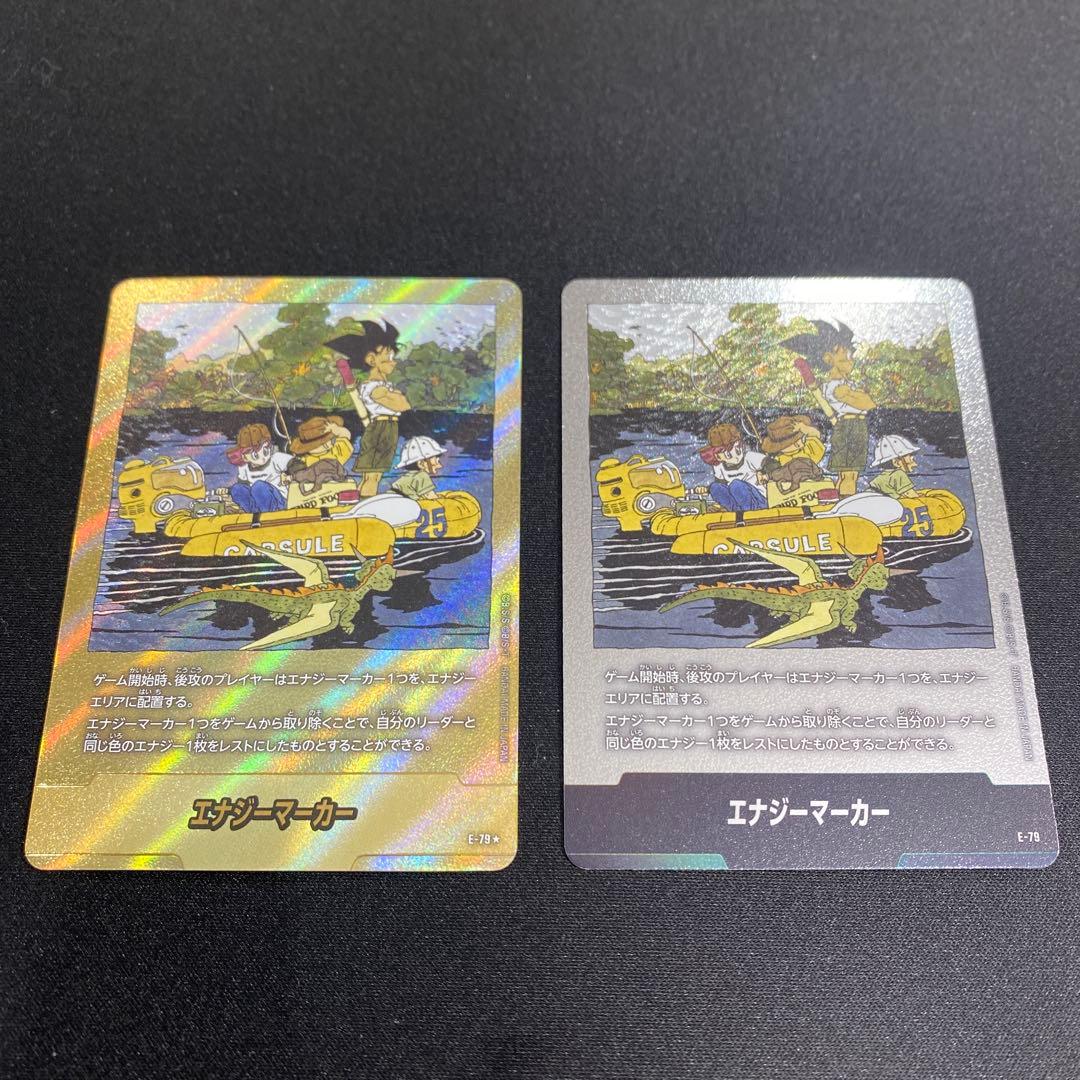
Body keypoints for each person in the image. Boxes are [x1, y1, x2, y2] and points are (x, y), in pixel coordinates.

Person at [781, 320, 876, 496]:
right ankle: (847, 503)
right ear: (828, 358)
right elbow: (868, 403)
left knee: (847, 474)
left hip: (853, 427)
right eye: (846, 355)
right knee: (849, 474)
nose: (851, 360)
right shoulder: (837, 388)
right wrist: (861, 395)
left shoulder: (844, 384)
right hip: (850, 428)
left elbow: (865, 400)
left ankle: (841, 498)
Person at [325, 321, 411, 497]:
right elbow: (403, 404)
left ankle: (363, 500)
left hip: (386, 428)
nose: (393, 362)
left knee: (373, 475)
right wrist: (397, 396)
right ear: (371, 359)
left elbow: (403, 403)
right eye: (388, 356)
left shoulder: (382, 386)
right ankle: (366, 502)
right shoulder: (374, 388)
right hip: (380, 429)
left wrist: (396, 396)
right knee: (372, 475)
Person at [697, 422, 767, 511]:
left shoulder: (749, 457)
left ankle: (748, 512)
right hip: (737, 504)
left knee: (736, 485)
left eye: (738, 447)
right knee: (715, 487)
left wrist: (764, 474)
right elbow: (721, 485)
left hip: (759, 502)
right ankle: (735, 512)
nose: (727, 454)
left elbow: (772, 464)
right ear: (717, 455)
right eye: (724, 453)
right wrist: (707, 490)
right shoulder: (719, 466)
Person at [227, 423, 293, 513]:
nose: (263, 457)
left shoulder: (275, 459)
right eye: (255, 455)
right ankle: (252, 514)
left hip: (279, 503)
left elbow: (295, 464)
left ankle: (267, 515)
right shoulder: (244, 467)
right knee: (237, 489)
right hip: (258, 504)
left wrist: (290, 476)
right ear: (244, 457)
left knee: (259, 487)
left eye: (266, 450)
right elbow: (243, 485)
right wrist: (228, 491)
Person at [391, 436, 447, 500]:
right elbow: (431, 497)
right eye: (436, 461)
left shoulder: (409, 476)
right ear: (421, 464)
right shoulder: (421, 475)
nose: (440, 465)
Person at [288, 415, 353, 466]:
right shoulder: (307, 461)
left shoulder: (336, 450)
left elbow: (346, 435)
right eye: (323, 444)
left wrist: (335, 429)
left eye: (332, 440)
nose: (329, 444)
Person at [869, 434, 920, 498]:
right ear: (896, 462)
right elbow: (912, 496)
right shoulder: (899, 474)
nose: (912, 459)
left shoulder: (880, 477)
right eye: (910, 456)